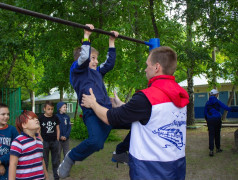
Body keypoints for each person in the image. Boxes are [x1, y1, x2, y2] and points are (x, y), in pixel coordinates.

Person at [81, 46, 190, 180]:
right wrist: (121, 105)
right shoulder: (179, 94)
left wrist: (93, 103)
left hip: (150, 170)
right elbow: (152, 115)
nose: (145, 69)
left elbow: (111, 118)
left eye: (147, 65)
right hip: (176, 167)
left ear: (156, 67)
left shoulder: (146, 98)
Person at [57, 24, 119, 178]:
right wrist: (86, 36)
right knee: (96, 142)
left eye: (96, 58)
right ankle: (71, 157)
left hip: (106, 110)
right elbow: (84, 58)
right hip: (91, 111)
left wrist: (111, 42)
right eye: (93, 58)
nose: (96, 61)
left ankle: (122, 151)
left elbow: (109, 63)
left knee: (132, 120)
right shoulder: (76, 70)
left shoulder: (96, 71)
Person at [9, 110, 49, 180]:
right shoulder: (18, 141)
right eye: (32, 118)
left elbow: (41, 160)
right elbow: (13, 164)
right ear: (24, 125)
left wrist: (47, 176)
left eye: (36, 118)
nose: (36, 120)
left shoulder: (39, 141)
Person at [204, 89, 238, 157]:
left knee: (211, 135)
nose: (218, 95)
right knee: (217, 134)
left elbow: (205, 112)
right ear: (216, 94)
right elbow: (226, 108)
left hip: (210, 120)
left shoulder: (207, 103)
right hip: (217, 119)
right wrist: (235, 109)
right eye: (217, 94)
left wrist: (207, 119)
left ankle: (211, 150)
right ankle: (218, 148)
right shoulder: (217, 101)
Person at [39, 101, 60, 180]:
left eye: (52, 109)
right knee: (45, 161)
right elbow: (38, 130)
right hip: (45, 142)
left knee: (55, 161)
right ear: (44, 109)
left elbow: (58, 129)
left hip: (54, 141)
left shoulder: (55, 117)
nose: (50, 111)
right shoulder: (41, 118)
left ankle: (56, 177)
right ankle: (45, 177)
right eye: (48, 109)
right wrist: (41, 140)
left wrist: (57, 139)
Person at [0, 103, 19, 180]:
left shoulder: (12, 130)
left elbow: (16, 149)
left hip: (9, 167)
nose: (6, 117)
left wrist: (1, 161)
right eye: (3, 114)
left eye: (8, 114)